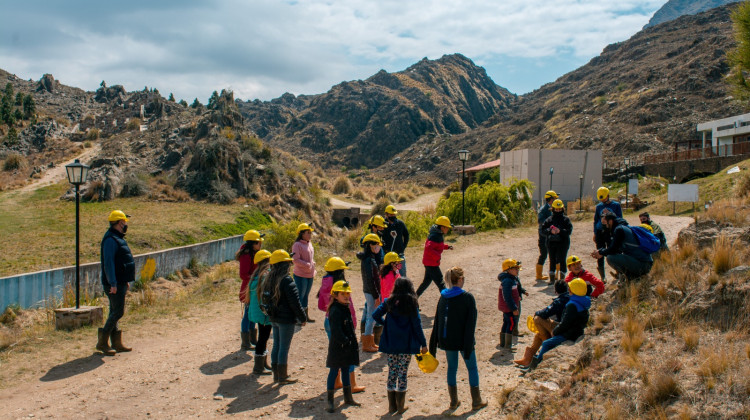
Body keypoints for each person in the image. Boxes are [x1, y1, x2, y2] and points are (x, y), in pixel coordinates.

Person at [429, 267, 488, 411]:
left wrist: (435, 341)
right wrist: (469, 342)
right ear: (460, 279)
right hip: (463, 340)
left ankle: (453, 402)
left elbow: (438, 320)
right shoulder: (467, 298)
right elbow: (471, 323)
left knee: (452, 368)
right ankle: (476, 401)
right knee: (472, 368)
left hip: (448, 340)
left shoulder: (443, 296)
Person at [372, 277, 427, 414]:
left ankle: (391, 406)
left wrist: (385, 324)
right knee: (402, 373)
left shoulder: (389, 302)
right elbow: (417, 326)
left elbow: (375, 315)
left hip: (391, 344)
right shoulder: (412, 304)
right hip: (406, 345)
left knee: (392, 371)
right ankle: (401, 406)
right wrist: (423, 344)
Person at [317, 257, 365, 393]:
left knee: (336, 351)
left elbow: (321, 306)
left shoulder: (325, 283)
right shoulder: (341, 286)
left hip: (328, 320)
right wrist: (352, 324)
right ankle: (352, 384)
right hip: (343, 322)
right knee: (348, 352)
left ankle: (337, 382)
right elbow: (351, 308)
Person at [260, 249, 306, 384]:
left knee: (277, 346)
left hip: (274, 318)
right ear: (284, 265)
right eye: (288, 263)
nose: (291, 264)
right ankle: (282, 377)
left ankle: (276, 375)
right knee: (283, 348)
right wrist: (302, 318)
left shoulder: (269, 278)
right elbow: (295, 302)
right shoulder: (286, 280)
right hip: (286, 320)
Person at [527, 278, 591, 370]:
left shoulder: (572, 305)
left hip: (570, 333)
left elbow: (565, 323)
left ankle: (535, 366)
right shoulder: (584, 301)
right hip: (577, 330)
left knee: (546, 343)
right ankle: (531, 362)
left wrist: (556, 332)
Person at [97, 210, 136, 356]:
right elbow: (109, 264)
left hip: (119, 281)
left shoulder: (115, 238)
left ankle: (116, 343)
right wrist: (113, 283)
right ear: (119, 223)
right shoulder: (110, 240)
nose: (126, 224)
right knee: (118, 312)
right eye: (124, 222)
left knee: (114, 312)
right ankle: (102, 342)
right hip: (113, 283)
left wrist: (123, 281)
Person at [513, 280, 569, 367]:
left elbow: (546, 312)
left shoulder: (560, 300)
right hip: (563, 325)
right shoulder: (568, 297)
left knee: (537, 319)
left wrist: (537, 313)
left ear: (556, 291)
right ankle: (527, 359)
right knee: (538, 334)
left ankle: (544, 340)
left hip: (560, 327)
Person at [325, 280, 361, 412]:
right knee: (334, 371)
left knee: (346, 370)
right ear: (335, 295)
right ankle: (330, 401)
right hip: (338, 348)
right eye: (343, 293)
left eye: (348, 293)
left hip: (347, 347)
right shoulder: (335, 310)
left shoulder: (345, 307)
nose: (346, 296)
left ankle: (348, 397)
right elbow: (336, 331)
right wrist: (346, 341)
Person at [591, 213, 654, 281]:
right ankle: (631, 276)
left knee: (611, 258)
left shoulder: (619, 230)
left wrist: (600, 252)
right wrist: (601, 252)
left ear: (610, 221)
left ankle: (633, 277)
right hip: (645, 263)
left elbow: (613, 249)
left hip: (643, 265)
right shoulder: (623, 227)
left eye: (605, 224)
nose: (605, 226)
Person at [236, 229, 264, 351]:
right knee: (248, 315)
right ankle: (245, 343)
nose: (260, 245)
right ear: (252, 243)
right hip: (249, 289)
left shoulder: (254, 253)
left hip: (255, 288)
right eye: (258, 243)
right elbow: (243, 274)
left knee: (253, 314)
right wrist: (255, 279)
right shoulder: (246, 255)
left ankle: (252, 340)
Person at [247, 249, 273, 375]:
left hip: (257, 313)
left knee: (263, 337)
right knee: (263, 337)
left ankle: (262, 363)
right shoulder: (266, 276)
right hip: (264, 314)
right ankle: (258, 367)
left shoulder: (255, 276)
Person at [358, 233, 383, 352]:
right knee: (371, 317)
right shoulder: (369, 260)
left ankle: (370, 342)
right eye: (377, 244)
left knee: (370, 316)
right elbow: (372, 280)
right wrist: (376, 296)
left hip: (369, 291)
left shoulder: (368, 258)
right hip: (371, 292)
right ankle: (367, 344)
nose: (378, 247)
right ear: (371, 245)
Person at [416, 216, 453, 297]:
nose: (448, 229)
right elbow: (428, 248)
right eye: (447, 227)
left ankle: (413, 299)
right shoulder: (435, 236)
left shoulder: (437, 234)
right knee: (441, 283)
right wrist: (437, 256)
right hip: (431, 264)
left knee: (426, 283)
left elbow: (438, 246)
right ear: (442, 227)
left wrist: (447, 247)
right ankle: (447, 301)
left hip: (430, 263)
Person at [593, 187, 622, 281]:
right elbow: (595, 220)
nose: (603, 200)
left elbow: (619, 218)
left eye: (604, 198)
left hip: (610, 231)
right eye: (601, 199)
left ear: (608, 196)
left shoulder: (616, 205)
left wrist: (610, 214)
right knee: (600, 252)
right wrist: (595, 233)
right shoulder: (599, 207)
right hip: (600, 232)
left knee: (613, 250)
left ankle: (618, 272)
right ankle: (603, 277)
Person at [541, 199, 573, 282]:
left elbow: (569, 231)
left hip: (563, 243)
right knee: (552, 260)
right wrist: (550, 231)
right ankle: (552, 280)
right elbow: (543, 230)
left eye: (559, 209)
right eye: (556, 209)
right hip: (551, 243)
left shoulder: (566, 219)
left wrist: (560, 231)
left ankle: (562, 279)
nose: (558, 211)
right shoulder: (549, 220)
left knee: (562, 260)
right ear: (553, 209)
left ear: (562, 209)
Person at [292, 223, 316, 324]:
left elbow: (310, 258)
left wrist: (312, 264)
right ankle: (298, 317)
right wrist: (307, 264)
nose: (310, 234)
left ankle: (305, 316)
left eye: (310, 232)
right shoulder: (297, 245)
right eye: (308, 233)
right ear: (301, 234)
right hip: (300, 275)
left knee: (306, 295)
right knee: (300, 296)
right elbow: (295, 259)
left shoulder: (309, 243)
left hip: (309, 274)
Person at [497, 259, 522, 350]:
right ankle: (508, 345)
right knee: (511, 324)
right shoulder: (508, 281)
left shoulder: (510, 279)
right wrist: (514, 308)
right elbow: (507, 296)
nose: (517, 270)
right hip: (509, 308)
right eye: (515, 268)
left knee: (506, 323)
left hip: (507, 308)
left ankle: (503, 343)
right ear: (509, 270)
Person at [536, 190, 558, 281]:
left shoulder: (554, 208)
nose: (556, 199)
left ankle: (556, 274)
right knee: (544, 254)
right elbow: (540, 220)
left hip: (551, 236)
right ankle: (539, 275)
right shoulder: (543, 209)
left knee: (555, 255)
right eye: (555, 198)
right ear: (550, 199)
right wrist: (550, 223)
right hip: (544, 236)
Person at [382, 205, 410, 277]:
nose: (393, 216)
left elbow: (406, 235)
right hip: (387, 255)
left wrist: (403, 247)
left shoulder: (400, 224)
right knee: (387, 276)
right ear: (386, 214)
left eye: (394, 214)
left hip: (399, 255)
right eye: (391, 214)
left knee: (402, 275)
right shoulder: (383, 224)